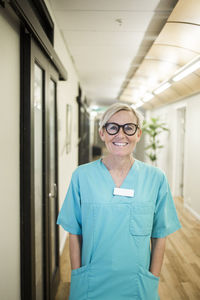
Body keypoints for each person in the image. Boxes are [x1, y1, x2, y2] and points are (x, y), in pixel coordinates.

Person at [57, 102, 181, 300]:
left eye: (129, 128)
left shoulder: (156, 178)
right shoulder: (82, 176)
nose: (120, 135)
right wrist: (78, 276)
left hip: (137, 285)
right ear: (102, 133)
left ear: (138, 134)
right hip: (91, 282)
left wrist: (152, 278)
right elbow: (74, 232)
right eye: (112, 127)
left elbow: (160, 234)